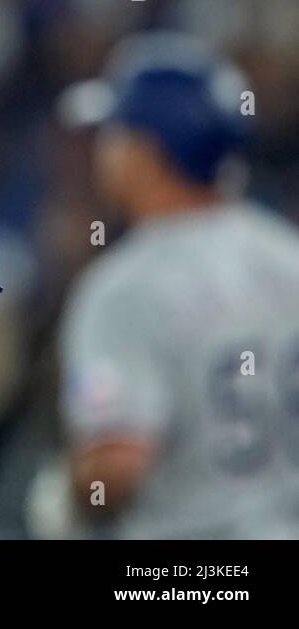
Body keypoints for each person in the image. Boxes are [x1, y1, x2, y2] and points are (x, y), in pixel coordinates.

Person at [56, 31, 299, 538]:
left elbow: (118, 465)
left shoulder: (125, 288)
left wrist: (69, 493)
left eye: (114, 133)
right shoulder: (287, 254)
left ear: (144, 154)